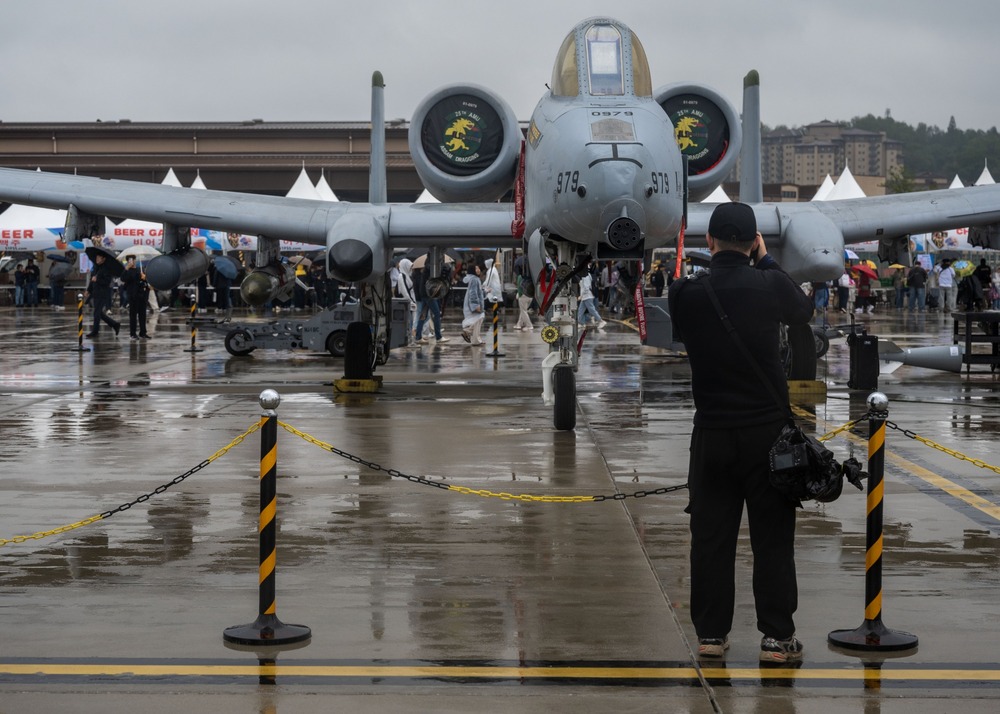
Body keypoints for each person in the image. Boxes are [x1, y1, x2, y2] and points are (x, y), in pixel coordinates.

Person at [666, 202, 814, 664]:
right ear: (753, 241)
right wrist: (766, 261)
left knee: (711, 538)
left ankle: (711, 635)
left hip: (712, 431)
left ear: (708, 243)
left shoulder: (685, 293)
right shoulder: (769, 284)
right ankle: (776, 637)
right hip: (767, 434)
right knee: (772, 538)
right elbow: (803, 309)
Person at [84, 253, 121, 338]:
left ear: (103, 259)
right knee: (99, 313)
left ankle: (95, 331)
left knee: (96, 313)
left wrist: (97, 280)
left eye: (99, 257)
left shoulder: (107, 269)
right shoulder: (97, 267)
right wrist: (88, 290)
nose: (97, 259)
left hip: (102, 293)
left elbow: (107, 282)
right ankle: (114, 324)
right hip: (95, 292)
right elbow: (92, 279)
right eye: (96, 257)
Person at [121, 255, 150, 339]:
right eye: (130, 260)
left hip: (142, 294)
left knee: (142, 314)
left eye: (133, 260)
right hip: (133, 295)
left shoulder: (139, 270)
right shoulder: (127, 271)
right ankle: (132, 333)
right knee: (133, 315)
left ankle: (143, 332)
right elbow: (123, 278)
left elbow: (143, 281)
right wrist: (126, 268)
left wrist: (144, 278)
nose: (132, 261)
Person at [461, 262, 486, 346]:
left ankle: (471, 336)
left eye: (478, 268)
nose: (478, 270)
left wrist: (485, 291)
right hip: (475, 305)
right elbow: (473, 293)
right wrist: (476, 306)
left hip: (473, 304)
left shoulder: (474, 279)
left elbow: (478, 292)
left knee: (477, 320)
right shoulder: (474, 279)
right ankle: (473, 338)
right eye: (476, 268)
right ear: (472, 270)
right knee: (478, 320)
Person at [577, 262, 606, 328]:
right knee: (581, 310)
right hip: (585, 297)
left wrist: (581, 296)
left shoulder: (586, 276)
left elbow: (586, 287)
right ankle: (581, 323)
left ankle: (601, 321)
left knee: (591, 310)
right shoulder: (586, 275)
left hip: (587, 296)